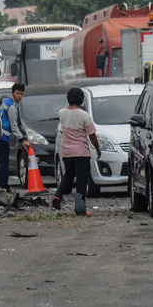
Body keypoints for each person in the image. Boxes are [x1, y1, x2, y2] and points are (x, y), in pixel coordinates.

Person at [52, 87, 101, 216]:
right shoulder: (84, 115)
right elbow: (91, 135)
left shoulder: (62, 113)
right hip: (81, 152)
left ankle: (58, 196)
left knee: (68, 175)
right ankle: (80, 208)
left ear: (68, 99)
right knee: (81, 180)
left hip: (67, 152)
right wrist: (97, 148)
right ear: (81, 100)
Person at [0, 83, 29, 191]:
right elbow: (14, 127)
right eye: (17, 93)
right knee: (4, 163)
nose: (19, 96)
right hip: (3, 137)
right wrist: (23, 140)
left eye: (21, 94)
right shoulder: (12, 107)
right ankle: (5, 186)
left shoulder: (6, 102)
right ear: (12, 93)